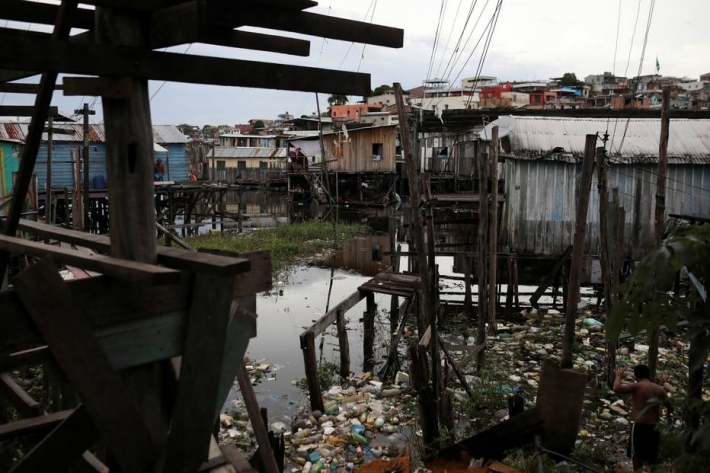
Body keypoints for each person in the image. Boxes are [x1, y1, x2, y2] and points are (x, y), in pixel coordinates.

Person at [613, 364, 673, 470]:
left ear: (636, 376)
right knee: (651, 457)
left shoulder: (637, 386)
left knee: (637, 457)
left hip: (640, 426)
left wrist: (618, 376)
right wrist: (668, 416)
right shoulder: (659, 390)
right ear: (649, 375)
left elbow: (616, 388)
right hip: (654, 427)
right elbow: (670, 407)